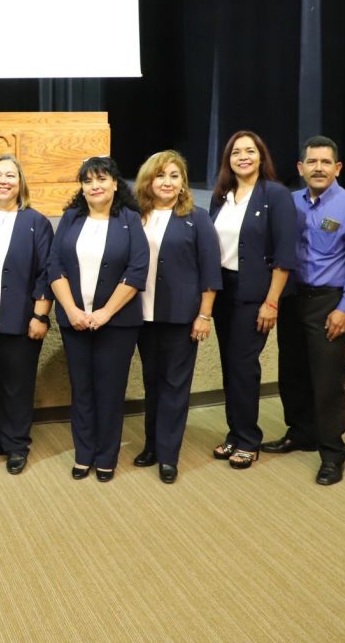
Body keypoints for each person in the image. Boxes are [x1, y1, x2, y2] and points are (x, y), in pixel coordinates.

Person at [266, 135, 345, 485]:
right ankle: (301, 433)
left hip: (329, 302)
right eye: (312, 162)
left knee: (327, 381)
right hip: (291, 298)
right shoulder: (288, 202)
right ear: (301, 168)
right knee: (291, 371)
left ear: (337, 168)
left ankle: (332, 453)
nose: (318, 168)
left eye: (326, 162)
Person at [49, 156, 149, 482]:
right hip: (74, 322)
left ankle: (106, 457)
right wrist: (71, 310)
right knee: (82, 391)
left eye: (102, 179)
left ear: (115, 184)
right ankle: (84, 454)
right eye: (88, 181)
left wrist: (105, 312)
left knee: (109, 392)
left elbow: (137, 270)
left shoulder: (130, 219)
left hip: (117, 324)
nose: (95, 186)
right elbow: (54, 266)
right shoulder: (70, 218)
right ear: (81, 187)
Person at [131, 151, 221, 483]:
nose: (167, 182)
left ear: (183, 182)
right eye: (160, 175)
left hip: (180, 317)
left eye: (174, 175)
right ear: (148, 180)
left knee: (174, 386)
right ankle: (152, 446)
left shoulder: (197, 219)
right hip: (140, 316)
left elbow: (210, 273)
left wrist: (204, 315)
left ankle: (168, 455)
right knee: (152, 383)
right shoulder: (133, 216)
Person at [209, 130, 297, 471]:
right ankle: (235, 433)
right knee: (230, 366)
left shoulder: (275, 195)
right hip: (223, 292)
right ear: (228, 160)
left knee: (244, 367)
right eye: (236, 152)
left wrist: (271, 302)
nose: (242, 157)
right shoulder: (222, 196)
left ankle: (248, 440)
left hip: (256, 294)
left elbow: (285, 255)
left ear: (261, 156)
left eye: (249, 151)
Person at [0, 155, 53, 475]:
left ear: (21, 183)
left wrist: (40, 316)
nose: (3, 181)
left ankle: (17, 445)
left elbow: (46, 273)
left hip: (21, 320)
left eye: (10, 176)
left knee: (18, 386)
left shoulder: (36, 222)